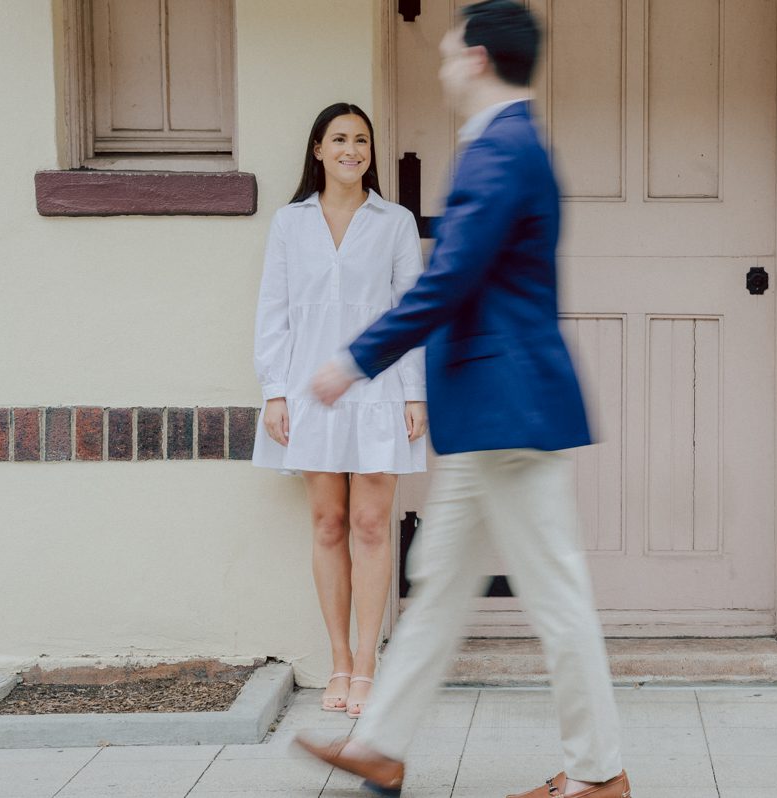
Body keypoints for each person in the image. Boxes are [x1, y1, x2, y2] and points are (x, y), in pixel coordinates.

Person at [298, 3, 631, 797]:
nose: (443, 65)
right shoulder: (509, 144)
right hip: (494, 410)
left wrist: (355, 360)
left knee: (555, 598)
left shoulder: (499, 150)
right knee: (439, 584)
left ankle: (600, 775)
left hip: (507, 409)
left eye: (448, 53)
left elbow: (449, 281)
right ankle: (381, 745)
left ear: (478, 59)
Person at [252, 102, 428, 720]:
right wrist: (275, 391)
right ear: (318, 150)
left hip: (378, 392)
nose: (352, 149)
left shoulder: (395, 221)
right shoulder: (289, 222)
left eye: (362, 140)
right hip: (310, 392)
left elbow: (411, 314)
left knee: (373, 527)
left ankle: (369, 664)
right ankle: (340, 664)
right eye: (340, 139)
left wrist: (415, 394)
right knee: (328, 524)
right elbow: (274, 310)